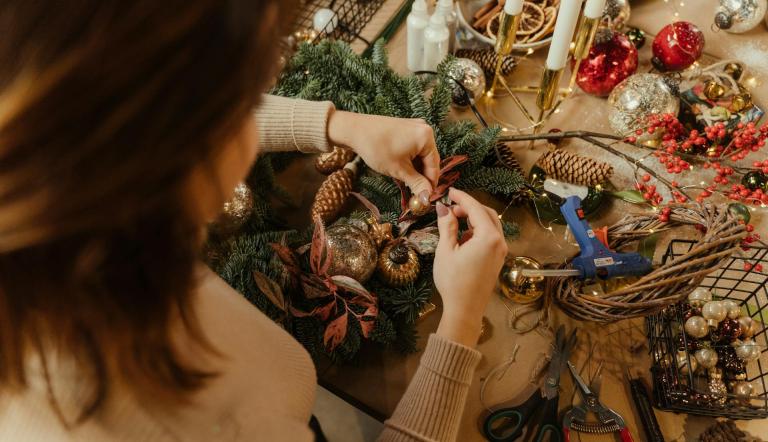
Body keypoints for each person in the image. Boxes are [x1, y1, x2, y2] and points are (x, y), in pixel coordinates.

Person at [0, 1, 508, 441]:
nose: (253, 109)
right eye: (247, 94)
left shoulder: (71, 222)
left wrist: (340, 124)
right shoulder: (156, 421)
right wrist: (459, 326)